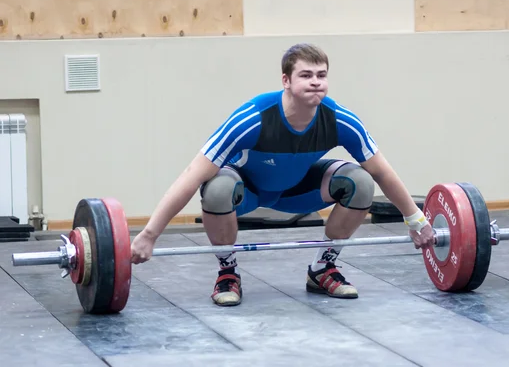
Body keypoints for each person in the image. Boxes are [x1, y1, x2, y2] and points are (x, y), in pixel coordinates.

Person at [130, 43, 435, 306]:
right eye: (306, 75)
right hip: (245, 191)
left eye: (321, 75)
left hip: (298, 190)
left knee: (361, 182)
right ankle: (227, 271)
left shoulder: (340, 120)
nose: (316, 82)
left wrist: (416, 220)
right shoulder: (252, 118)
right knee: (217, 187)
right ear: (286, 80)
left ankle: (322, 269)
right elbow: (191, 174)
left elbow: (382, 171)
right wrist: (148, 235)